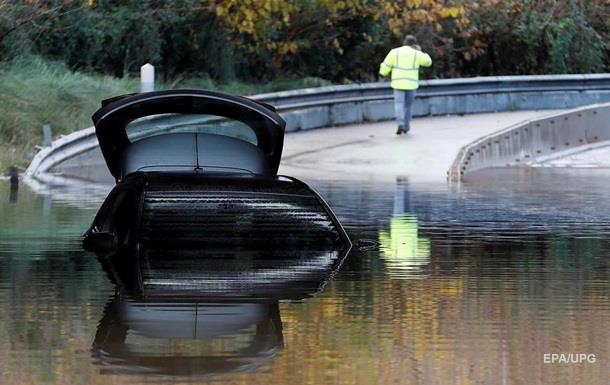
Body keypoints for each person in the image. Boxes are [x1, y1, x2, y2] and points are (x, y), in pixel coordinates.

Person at [379, 35, 432, 135]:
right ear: (414, 44)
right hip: (411, 84)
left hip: (398, 83)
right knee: (408, 106)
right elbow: (428, 62)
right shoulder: (416, 54)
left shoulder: (395, 52)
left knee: (399, 104)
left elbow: (386, 65)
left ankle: (400, 123)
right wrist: (421, 51)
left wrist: (382, 74)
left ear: (404, 42)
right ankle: (406, 126)